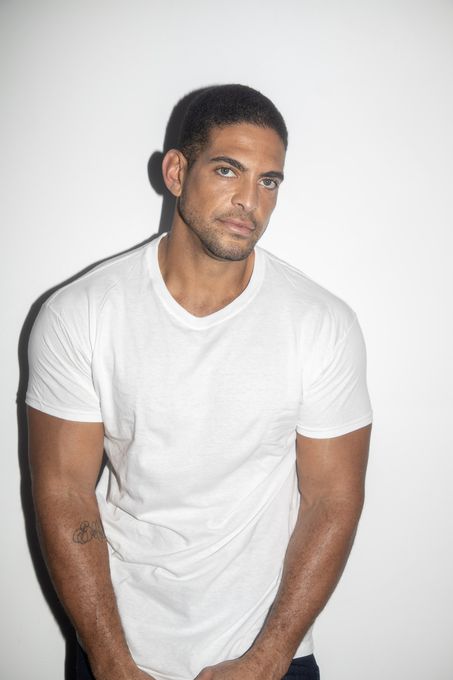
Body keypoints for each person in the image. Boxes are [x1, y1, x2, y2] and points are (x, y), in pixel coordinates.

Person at [26, 84, 372, 680]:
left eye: (269, 181)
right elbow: (63, 492)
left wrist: (268, 658)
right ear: (176, 171)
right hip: (119, 646)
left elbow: (332, 500)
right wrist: (109, 660)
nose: (250, 201)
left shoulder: (320, 323)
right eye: (228, 170)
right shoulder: (81, 312)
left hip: (267, 653)